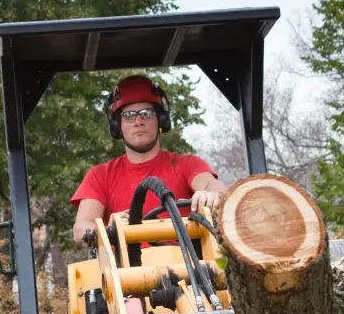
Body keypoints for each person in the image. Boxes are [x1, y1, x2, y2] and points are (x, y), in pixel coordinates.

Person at [71, 74, 227, 246]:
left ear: (160, 120)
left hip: (191, 271)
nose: (138, 121)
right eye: (129, 115)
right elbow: (80, 230)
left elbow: (212, 186)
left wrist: (212, 195)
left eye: (146, 113)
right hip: (123, 272)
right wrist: (108, 230)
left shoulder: (186, 164)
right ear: (117, 125)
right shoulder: (100, 176)